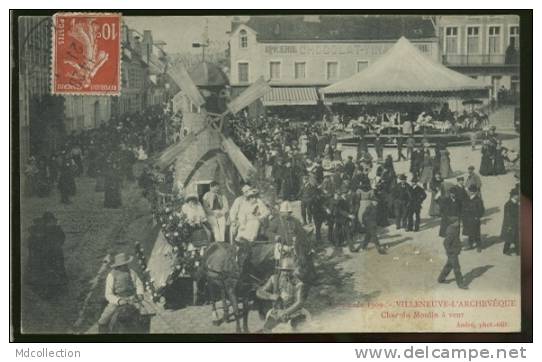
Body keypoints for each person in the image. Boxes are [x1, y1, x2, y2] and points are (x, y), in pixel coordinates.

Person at [256, 256, 308, 332]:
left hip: (294, 312)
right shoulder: (274, 279)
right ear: (281, 270)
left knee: (297, 329)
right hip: (277, 311)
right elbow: (259, 292)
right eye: (284, 270)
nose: (286, 273)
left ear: (293, 271)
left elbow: (299, 302)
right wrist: (270, 296)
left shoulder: (298, 283)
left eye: (289, 271)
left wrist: (286, 312)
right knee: (266, 328)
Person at [98, 253, 145, 332]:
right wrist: (118, 301)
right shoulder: (111, 275)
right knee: (103, 319)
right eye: (124, 264)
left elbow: (138, 283)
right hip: (117, 300)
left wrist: (140, 294)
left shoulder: (131, 272)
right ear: (118, 266)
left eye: (126, 264)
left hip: (132, 298)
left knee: (145, 314)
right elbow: (108, 294)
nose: (126, 266)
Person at [24, 212, 67, 299]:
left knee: (55, 268)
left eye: (52, 222)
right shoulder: (37, 235)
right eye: (49, 222)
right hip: (41, 258)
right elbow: (32, 249)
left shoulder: (55, 230)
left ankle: (56, 283)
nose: (51, 224)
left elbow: (61, 239)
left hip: (51, 255)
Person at [437, 218, 468, 289]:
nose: (459, 222)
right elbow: (445, 243)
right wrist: (450, 251)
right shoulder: (451, 231)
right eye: (457, 221)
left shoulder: (455, 228)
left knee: (449, 265)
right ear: (453, 223)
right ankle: (460, 283)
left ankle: (440, 279)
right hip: (452, 253)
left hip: (454, 251)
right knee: (457, 268)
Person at [461, 185, 485, 252]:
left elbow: (482, 210)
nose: (468, 192)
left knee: (476, 233)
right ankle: (470, 245)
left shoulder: (478, 200)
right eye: (469, 190)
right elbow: (464, 208)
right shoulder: (468, 199)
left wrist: (477, 217)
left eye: (470, 191)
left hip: (475, 219)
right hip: (468, 219)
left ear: (473, 192)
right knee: (469, 233)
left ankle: (479, 246)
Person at [501, 188, 520, 255]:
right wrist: (509, 225)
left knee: (517, 238)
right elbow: (507, 216)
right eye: (517, 195)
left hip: (516, 224)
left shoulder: (517, 203)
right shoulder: (508, 204)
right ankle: (505, 251)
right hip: (510, 224)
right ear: (513, 196)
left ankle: (518, 251)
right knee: (509, 239)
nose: (518, 196)